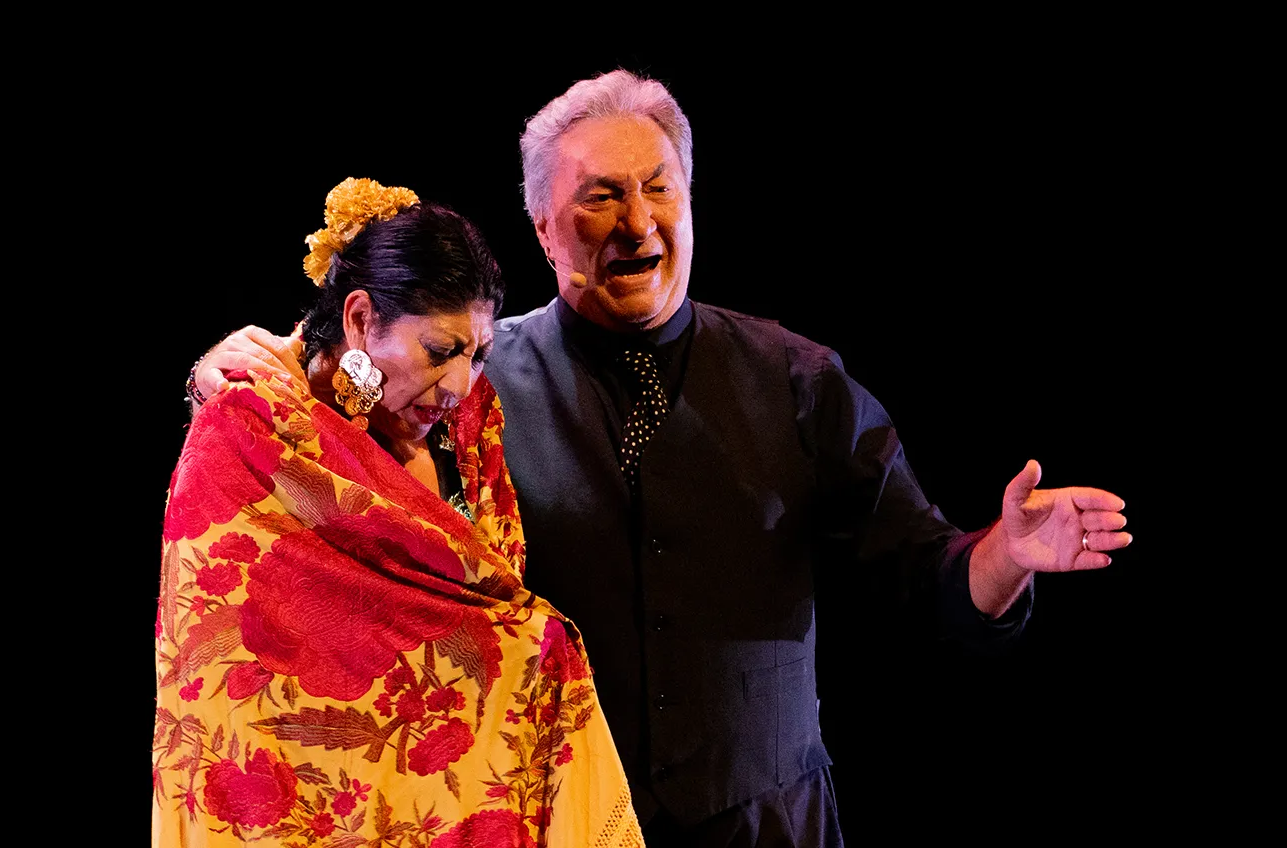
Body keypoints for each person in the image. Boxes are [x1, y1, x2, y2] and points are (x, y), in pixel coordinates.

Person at [192, 72, 1132, 847]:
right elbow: (326, 419)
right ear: (542, 228)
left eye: (658, 189)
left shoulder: (797, 379)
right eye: (601, 197)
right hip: (554, 822)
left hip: (767, 828)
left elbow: (929, 576)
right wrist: (226, 373)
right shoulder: (467, 385)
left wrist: (1007, 552)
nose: (637, 223)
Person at [154, 178, 644, 848]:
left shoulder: (467, 433)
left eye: (477, 355)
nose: (460, 384)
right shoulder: (250, 433)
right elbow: (223, 684)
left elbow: (480, 619)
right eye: (440, 351)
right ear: (360, 318)